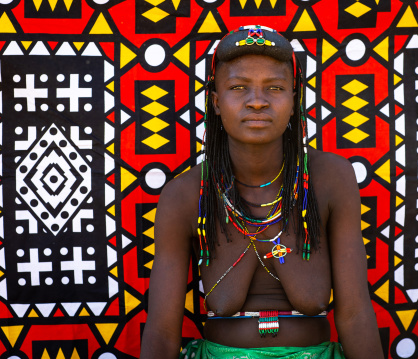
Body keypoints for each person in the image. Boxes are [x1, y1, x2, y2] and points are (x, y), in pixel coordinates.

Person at [140, 25, 384, 359]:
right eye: (239, 87)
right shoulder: (184, 195)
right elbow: (162, 332)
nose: (257, 101)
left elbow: (355, 314)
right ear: (215, 101)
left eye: (275, 87)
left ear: (294, 99)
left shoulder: (331, 179)